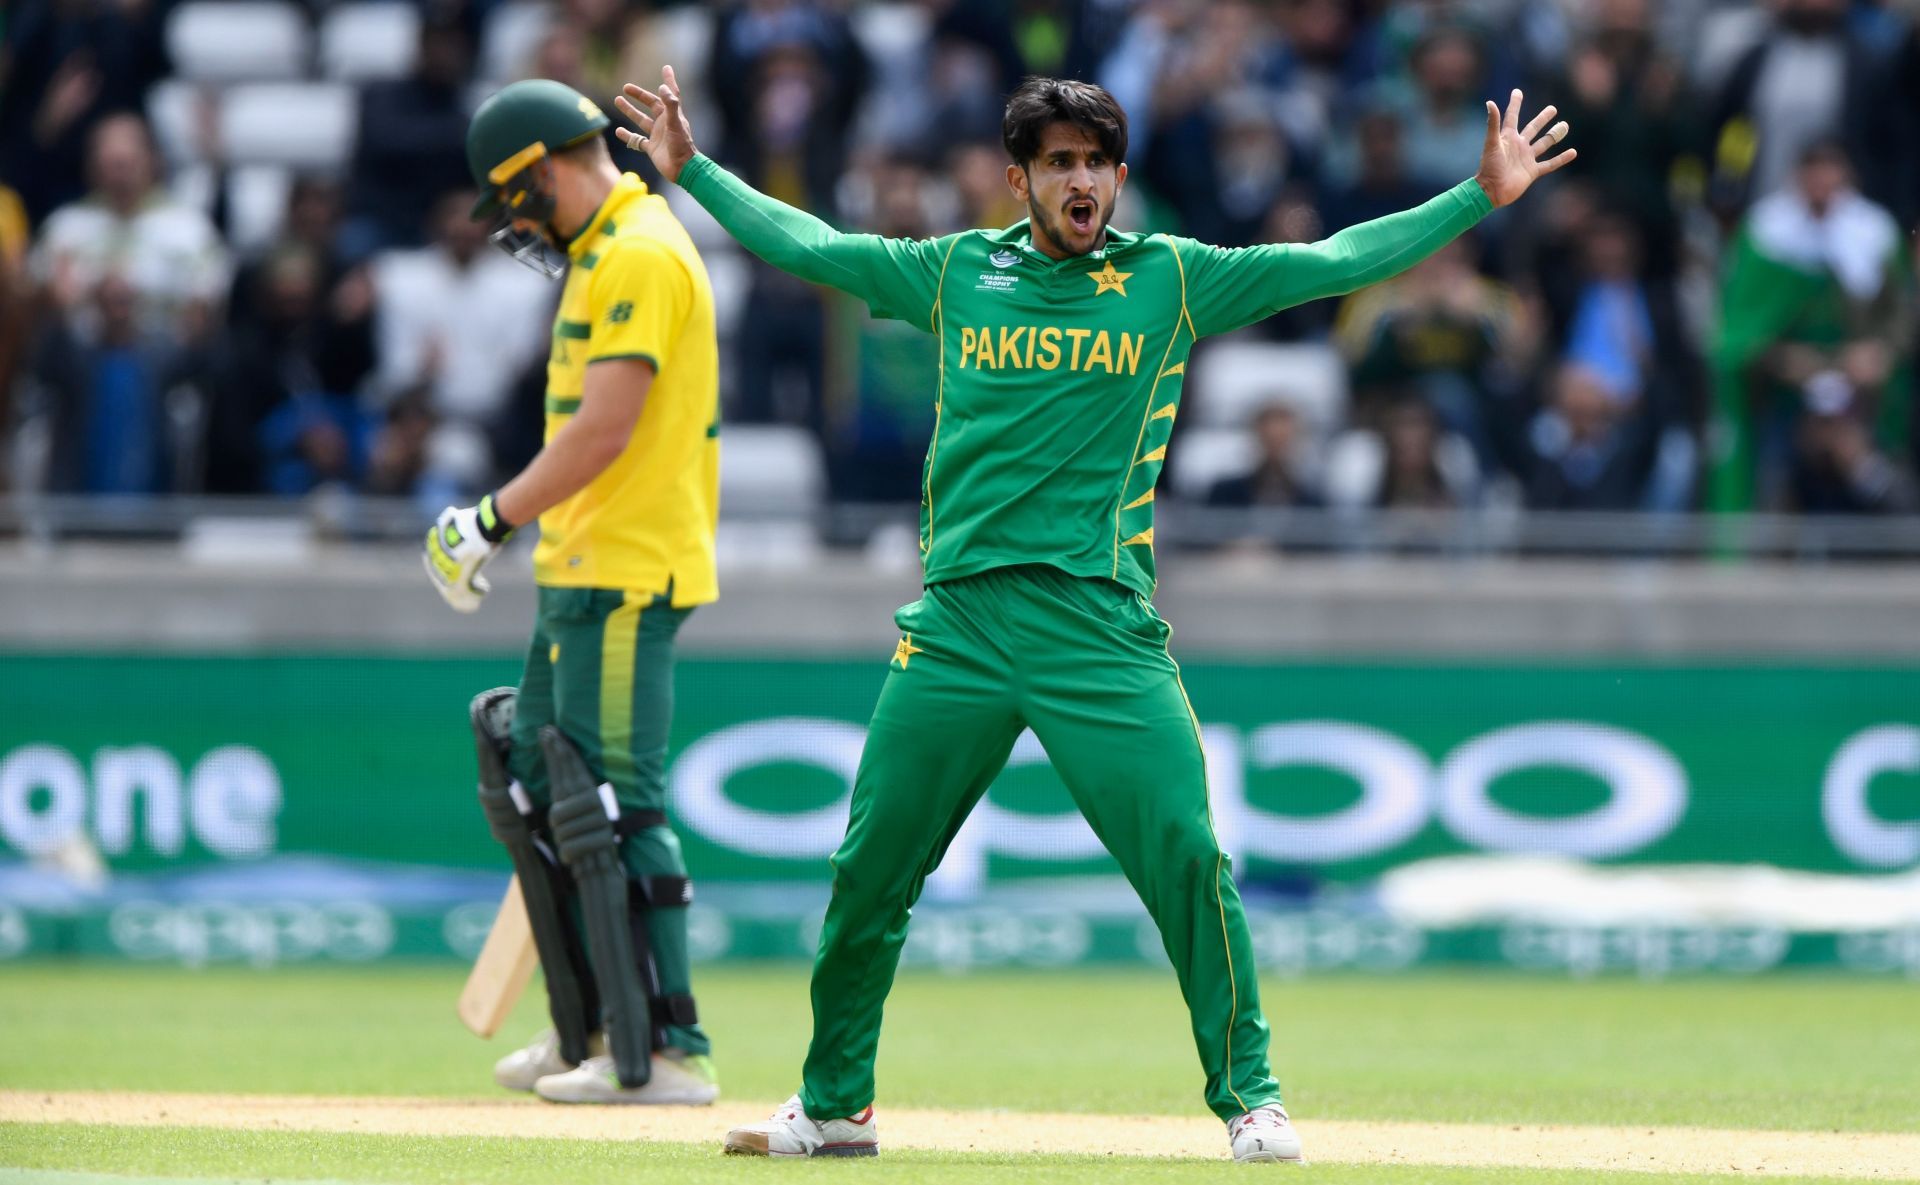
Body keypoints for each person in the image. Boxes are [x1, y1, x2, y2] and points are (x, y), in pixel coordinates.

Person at [616, 66, 1573, 1161]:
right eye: (1057, 162)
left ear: (1121, 177)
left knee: (1188, 857)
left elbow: (1330, 264)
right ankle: (836, 1104)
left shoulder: (1169, 278)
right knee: (869, 869)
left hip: (1099, 625)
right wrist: (693, 171)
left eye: (1096, 163)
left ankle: (1251, 1097)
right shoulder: (955, 270)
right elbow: (810, 245)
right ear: (1019, 179)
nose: (1080, 181)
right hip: (960, 625)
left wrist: (1474, 198)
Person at [420, 78, 721, 1106]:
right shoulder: (603, 254)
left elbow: (605, 430)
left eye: (514, 199)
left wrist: (489, 517)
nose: (514, 223)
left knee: (619, 802)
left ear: (543, 166)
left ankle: (670, 1053)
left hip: (632, 571)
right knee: (540, 790)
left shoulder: (638, 251)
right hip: (581, 569)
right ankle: (589, 1030)